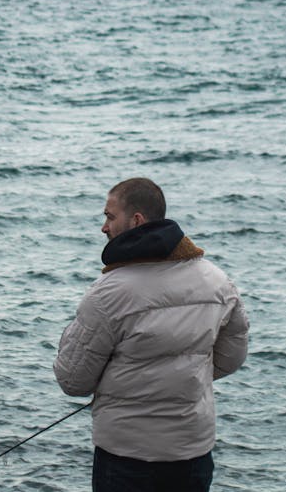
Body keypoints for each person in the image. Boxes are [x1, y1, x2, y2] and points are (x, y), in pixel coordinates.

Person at [54, 178, 249, 492]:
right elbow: (232, 357)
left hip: (126, 457)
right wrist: (183, 377)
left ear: (136, 221)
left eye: (109, 216)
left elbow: (73, 380)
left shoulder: (108, 293)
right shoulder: (217, 281)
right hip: (192, 452)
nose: (104, 227)